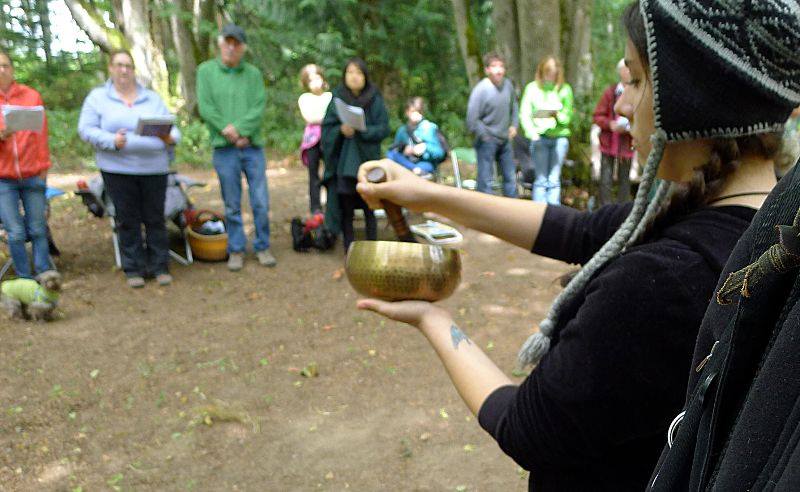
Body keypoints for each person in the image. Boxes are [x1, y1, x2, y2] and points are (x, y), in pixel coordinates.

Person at [352, 0, 796, 487]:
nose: (622, 105)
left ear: (690, 97)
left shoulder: (662, 281)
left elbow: (525, 427)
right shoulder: (767, 226)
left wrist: (433, 320)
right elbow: (579, 230)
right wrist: (424, 193)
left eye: (635, 81)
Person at [78, 49, 181, 288]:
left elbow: (172, 129)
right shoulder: (98, 98)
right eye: (119, 65)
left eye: (129, 66)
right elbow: (86, 129)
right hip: (117, 169)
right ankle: (133, 268)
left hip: (154, 168)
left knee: (155, 217)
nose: (124, 70)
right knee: (127, 218)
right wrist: (110, 141)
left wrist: (171, 138)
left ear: (134, 70)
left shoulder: (152, 99)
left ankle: (159, 265)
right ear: (111, 68)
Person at [196, 24, 276, 271]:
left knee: (260, 200)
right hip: (224, 148)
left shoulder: (252, 74)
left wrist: (241, 130)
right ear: (221, 43)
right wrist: (228, 131)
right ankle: (236, 248)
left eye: (237, 43)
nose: (232, 47)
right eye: (228, 42)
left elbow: (258, 107)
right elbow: (206, 106)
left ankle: (262, 246)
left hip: (252, 147)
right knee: (231, 203)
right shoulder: (206, 71)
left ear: (243, 47)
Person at [320, 57, 389, 253]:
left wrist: (363, 130)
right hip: (343, 164)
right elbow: (326, 130)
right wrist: (341, 131)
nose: (354, 77)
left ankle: (373, 247)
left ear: (365, 76)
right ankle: (349, 249)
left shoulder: (374, 98)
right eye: (350, 72)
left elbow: (383, 128)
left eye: (358, 73)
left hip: (368, 162)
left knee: (370, 206)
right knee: (347, 207)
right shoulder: (337, 98)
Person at [0, 50, 55, 280]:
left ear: (12, 69)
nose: (1, 70)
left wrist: (44, 167)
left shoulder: (31, 96)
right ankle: (24, 277)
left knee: (38, 227)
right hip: (4, 178)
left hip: (33, 173)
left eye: (5, 65)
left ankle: (44, 273)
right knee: (15, 232)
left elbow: (41, 135)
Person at [519, 56, 574, 205]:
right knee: (541, 179)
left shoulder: (565, 89)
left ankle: (553, 214)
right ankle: (538, 214)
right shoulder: (532, 88)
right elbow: (525, 114)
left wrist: (557, 115)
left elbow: (567, 117)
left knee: (554, 179)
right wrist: (532, 133)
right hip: (539, 138)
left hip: (559, 139)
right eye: (548, 72)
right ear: (542, 72)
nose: (551, 76)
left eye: (554, 73)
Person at [466, 53, 519, 197]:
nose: (498, 70)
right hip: (487, 140)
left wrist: (514, 125)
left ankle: (513, 212)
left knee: (510, 178)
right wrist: (484, 136)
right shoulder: (481, 89)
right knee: (485, 180)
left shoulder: (508, 85)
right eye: (494, 67)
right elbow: (472, 119)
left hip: (505, 139)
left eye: (501, 66)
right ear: (487, 70)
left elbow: (514, 106)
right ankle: (483, 214)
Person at [592, 58, 634, 205]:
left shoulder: (635, 93)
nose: (629, 72)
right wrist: (610, 125)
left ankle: (623, 211)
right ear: (621, 72)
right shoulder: (610, 92)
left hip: (627, 145)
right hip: (608, 144)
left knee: (624, 179)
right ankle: (605, 209)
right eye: (626, 69)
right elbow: (597, 116)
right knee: (605, 179)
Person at [298, 64, 332, 215]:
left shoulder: (330, 96)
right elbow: (310, 117)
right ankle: (315, 208)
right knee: (313, 175)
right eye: (310, 80)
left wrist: (323, 119)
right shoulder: (304, 98)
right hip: (312, 141)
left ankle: (332, 205)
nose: (315, 83)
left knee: (331, 173)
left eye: (317, 78)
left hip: (329, 138)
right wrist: (325, 119)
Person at [386, 97, 446, 176]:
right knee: (391, 154)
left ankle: (414, 170)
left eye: (419, 111)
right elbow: (394, 150)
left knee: (425, 166)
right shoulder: (402, 131)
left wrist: (425, 147)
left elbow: (440, 153)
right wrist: (405, 150)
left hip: (424, 162)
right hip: (406, 162)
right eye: (413, 111)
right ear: (407, 112)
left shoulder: (429, 128)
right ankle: (414, 169)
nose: (416, 114)